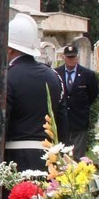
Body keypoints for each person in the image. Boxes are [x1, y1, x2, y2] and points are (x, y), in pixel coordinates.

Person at [4, 13, 63, 172]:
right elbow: (61, 119)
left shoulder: (6, 77)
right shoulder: (54, 76)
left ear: (10, 49)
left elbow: (0, 122)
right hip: (48, 156)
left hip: (14, 157)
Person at [55, 44, 99, 159]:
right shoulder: (56, 73)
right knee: (61, 154)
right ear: (64, 57)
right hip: (61, 119)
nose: (71, 60)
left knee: (78, 155)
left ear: (77, 57)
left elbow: (93, 94)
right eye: (69, 57)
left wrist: (81, 107)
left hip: (79, 119)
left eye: (73, 57)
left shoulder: (88, 74)